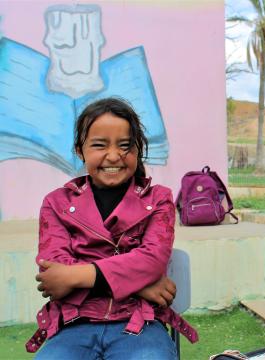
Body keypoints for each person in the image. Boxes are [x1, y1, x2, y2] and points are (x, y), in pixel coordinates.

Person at [25, 98, 198, 359]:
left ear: (138, 149)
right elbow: (55, 276)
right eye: (99, 145)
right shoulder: (56, 203)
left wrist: (76, 275)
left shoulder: (158, 199)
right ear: (79, 150)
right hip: (75, 323)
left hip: (140, 323)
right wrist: (139, 285)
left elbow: (151, 260)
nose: (114, 155)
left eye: (125, 146)